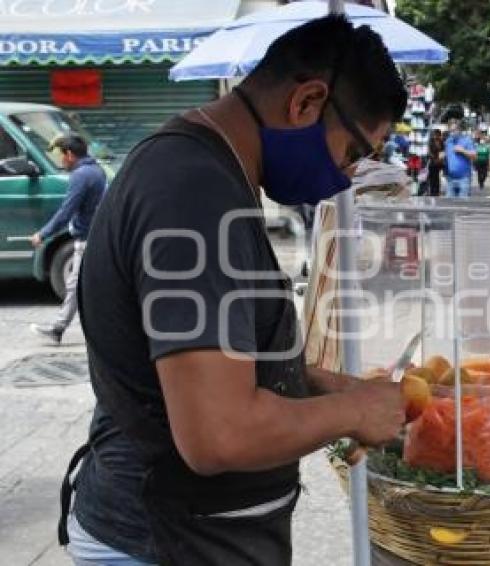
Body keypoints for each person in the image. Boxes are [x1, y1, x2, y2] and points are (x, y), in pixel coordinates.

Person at [59, 16, 407, 566]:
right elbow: (219, 434)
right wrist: (353, 412)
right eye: (352, 153)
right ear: (307, 103)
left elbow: (208, 361)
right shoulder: (193, 193)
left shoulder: (203, 169)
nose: (346, 176)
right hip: (166, 541)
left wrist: (317, 383)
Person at [29, 135, 106, 345]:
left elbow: (66, 211)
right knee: (80, 286)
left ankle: (59, 329)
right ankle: (60, 328)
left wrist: (42, 234)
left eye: (61, 156)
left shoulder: (81, 175)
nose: (60, 161)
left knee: (76, 286)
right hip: (94, 237)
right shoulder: (96, 170)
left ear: (70, 155)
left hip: (87, 240)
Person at [443, 119, 475, 197]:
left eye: (454, 130)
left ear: (459, 130)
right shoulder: (448, 141)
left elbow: (474, 155)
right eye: (450, 131)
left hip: (463, 178)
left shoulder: (467, 140)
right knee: (449, 205)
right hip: (450, 178)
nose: (452, 133)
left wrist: (463, 151)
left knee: (462, 205)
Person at [426, 128, 444, 196]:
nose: (436, 136)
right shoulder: (431, 141)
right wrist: (434, 158)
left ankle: (436, 192)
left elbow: (442, 151)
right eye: (435, 134)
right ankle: (432, 192)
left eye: (437, 135)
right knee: (432, 177)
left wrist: (440, 159)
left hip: (439, 163)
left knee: (437, 177)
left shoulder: (441, 142)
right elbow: (429, 152)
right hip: (432, 162)